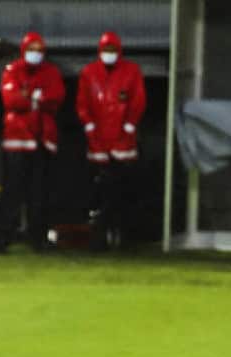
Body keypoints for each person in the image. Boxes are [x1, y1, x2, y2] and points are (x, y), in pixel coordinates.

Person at [0, 32, 65, 253]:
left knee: (39, 194)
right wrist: (35, 99)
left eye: (39, 49)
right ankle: (2, 239)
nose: (36, 54)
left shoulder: (51, 72)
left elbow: (56, 98)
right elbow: (10, 100)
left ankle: (38, 239)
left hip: (41, 141)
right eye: (32, 49)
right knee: (12, 193)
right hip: (17, 141)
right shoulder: (12, 70)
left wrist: (31, 97)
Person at [77, 32, 147, 251]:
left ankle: (123, 238)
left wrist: (130, 124)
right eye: (106, 51)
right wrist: (89, 125)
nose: (109, 55)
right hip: (98, 142)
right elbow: (83, 102)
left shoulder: (131, 71)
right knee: (100, 193)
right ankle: (99, 239)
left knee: (122, 191)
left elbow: (138, 99)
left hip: (122, 142)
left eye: (112, 51)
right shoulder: (89, 73)